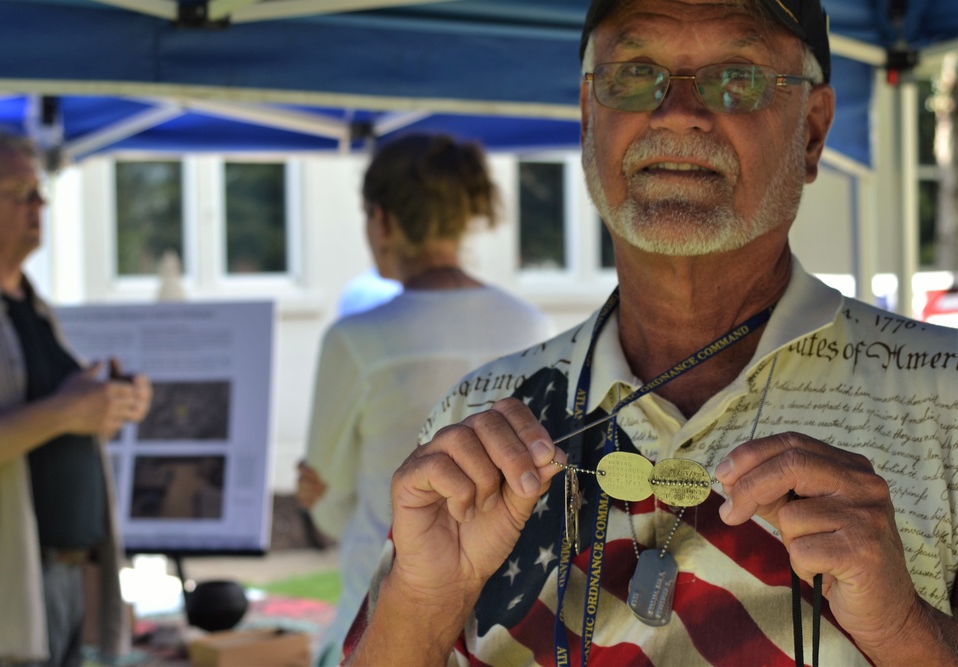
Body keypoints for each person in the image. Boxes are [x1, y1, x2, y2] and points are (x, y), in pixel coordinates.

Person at [341, 1, 958, 665]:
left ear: (811, 131)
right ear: (588, 120)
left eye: (737, 77)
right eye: (634, 75)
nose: (677, 112)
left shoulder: (944, 396)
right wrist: (424, 605)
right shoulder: (482, 412)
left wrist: (901, 626)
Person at [297, 133, 554, 667]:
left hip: (382, 615)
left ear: (382, 220)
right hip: (507, 611)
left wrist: (315, 492)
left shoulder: (356, 340)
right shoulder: (529, 323)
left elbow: (327, 506)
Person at [0, 127, 152, 666]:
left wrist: (105, 406)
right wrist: (63, 412)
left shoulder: (25, 301)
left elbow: (50, 422)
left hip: (59, 584)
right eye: (19, 191)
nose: (39, 203)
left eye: (39, 190)